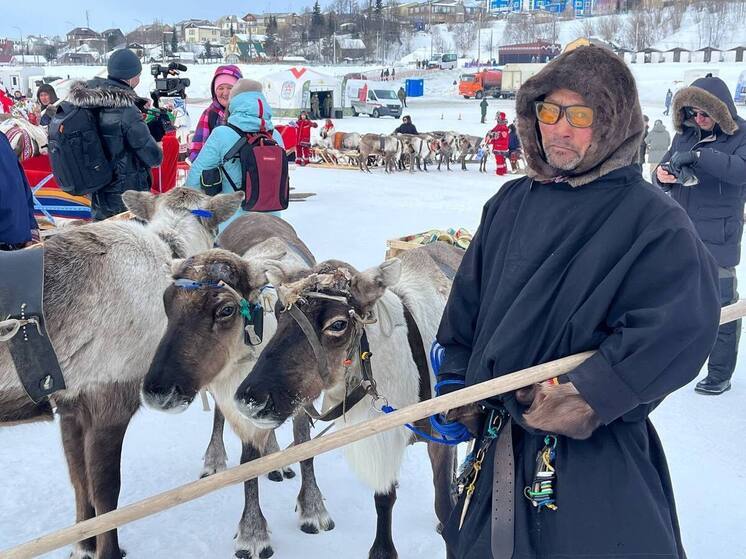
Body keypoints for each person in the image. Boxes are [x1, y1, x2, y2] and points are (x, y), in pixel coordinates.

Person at [436, 45, 720, 559]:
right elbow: (467, 309)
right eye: (549, 111)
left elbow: (677, 329)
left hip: (589, 460)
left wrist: (582, 394)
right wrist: (457, 380)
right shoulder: (508, 205)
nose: (559, 129)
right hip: (496, 445)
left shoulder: (652, 221)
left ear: (612, 122)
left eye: (580, 115)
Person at [653, 75, 746, 395]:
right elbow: (661, 172)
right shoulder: (686, 135)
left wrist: (700, 156)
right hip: (681, 232)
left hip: (719, 235)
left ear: (721, 113)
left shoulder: (742, 133)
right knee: (676, 303)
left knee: (722, 308)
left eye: (704, 114)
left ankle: (719, 372)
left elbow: (739, 171)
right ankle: (672, 364)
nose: (698, 120)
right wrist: (661, 175)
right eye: (692, 113)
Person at [67, 48, 163, 220]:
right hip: (128, 197)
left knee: (103, 239)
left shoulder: (89, 100)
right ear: (133, 77)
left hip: (99, 189)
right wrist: (156, 134)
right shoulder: (126, 110)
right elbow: (153, 157)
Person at [186, 79, 284, 226]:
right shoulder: (275, 136)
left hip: (233, 224)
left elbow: (195, 177)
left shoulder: (222, 134)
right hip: (274, 220)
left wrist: (190, 208)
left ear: (234, 104)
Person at [189, 65, 242, 161]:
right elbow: (197, 151)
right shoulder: (210, 114)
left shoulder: (249, 114)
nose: (225, 93)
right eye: (220, 88)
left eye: (230, 88)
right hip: (218, 173)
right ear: (214, 91)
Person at [0, 131, 39, 249]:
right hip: (14, 238)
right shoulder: (2, 139)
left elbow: (20, 184)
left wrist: (31, 227)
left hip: (10, 239)